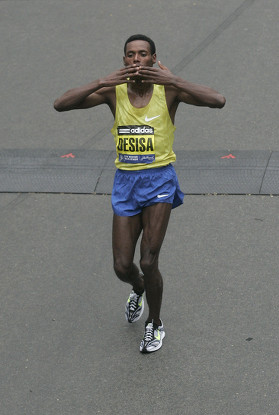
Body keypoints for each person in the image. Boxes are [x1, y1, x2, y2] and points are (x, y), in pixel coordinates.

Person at [54, 34, 226, 353]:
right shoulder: (112, 92)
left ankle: (155, 324)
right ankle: (139, 289)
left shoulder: (169, 90)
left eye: (143, 54)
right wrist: (101, 80)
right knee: (122, 266)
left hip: (159, 182)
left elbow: (218, 99)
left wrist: (173, 78)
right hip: (126, 183)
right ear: (124, 61)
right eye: (130, 55)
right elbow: (60, 104)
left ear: (153, 58)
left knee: (148, 259)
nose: (136, 59)